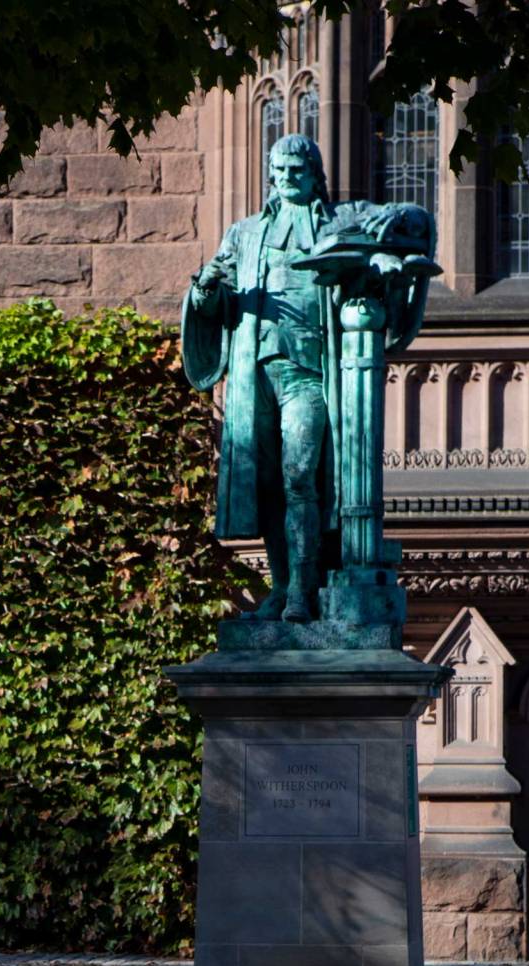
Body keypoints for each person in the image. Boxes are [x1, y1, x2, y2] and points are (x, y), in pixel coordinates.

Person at [181, 134, 432, 622]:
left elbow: (418, 222)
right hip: (256, 375)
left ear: (315, 174)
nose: (287, 179)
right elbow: (214, 304)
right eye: (279, 171)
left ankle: (302, 591)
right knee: (269, 484)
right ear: (270, 175)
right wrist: (205, 290)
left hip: (311, 374)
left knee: (300, 475)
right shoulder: (245, 234)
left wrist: (398, 219)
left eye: (297, 170)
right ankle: (282, 585)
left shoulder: (338, 221)